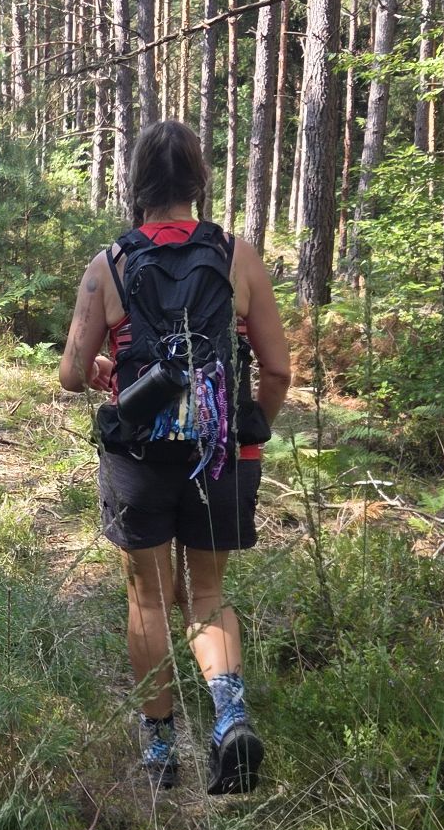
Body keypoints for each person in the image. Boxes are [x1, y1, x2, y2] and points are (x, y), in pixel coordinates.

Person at [57, 120, 291, 794]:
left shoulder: (109, 265)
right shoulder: (236, 256)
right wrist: (247, 431)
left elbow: (71, 373)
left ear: (136, 183)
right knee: (208, 594)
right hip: (223, 456)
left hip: (139, 455)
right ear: (197, 180)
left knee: (149, 599)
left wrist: (107, 368)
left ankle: (161, 749)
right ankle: (230, 718)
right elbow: (278, 370)